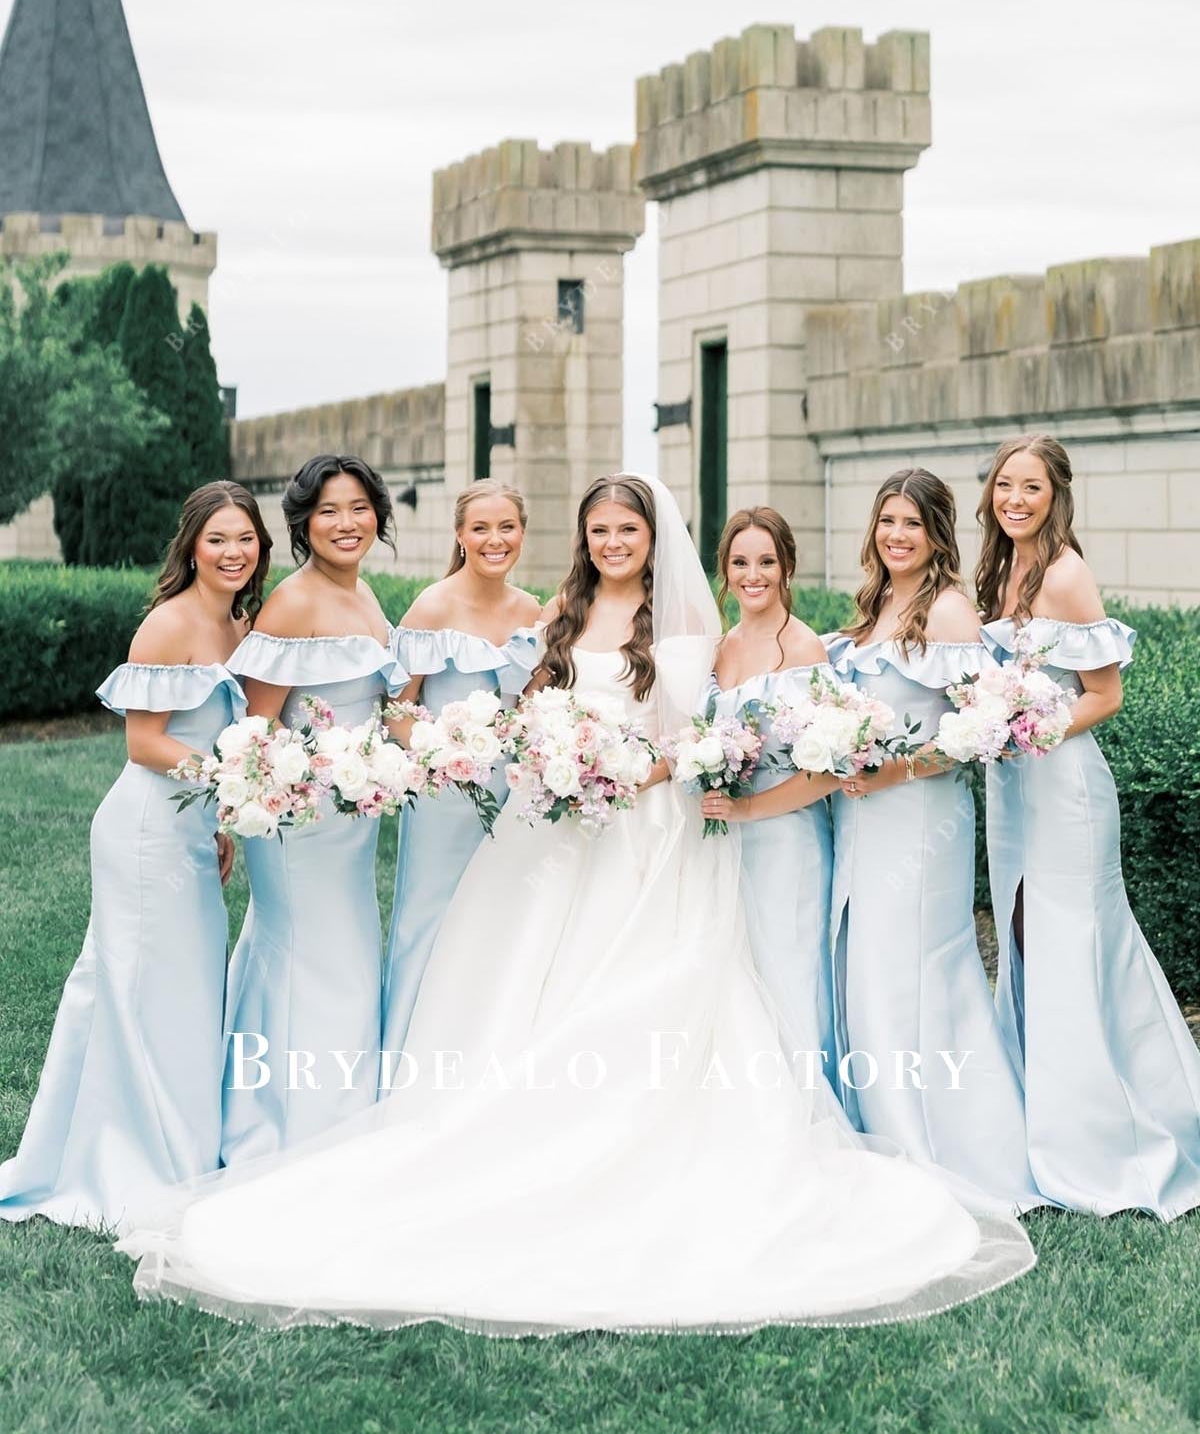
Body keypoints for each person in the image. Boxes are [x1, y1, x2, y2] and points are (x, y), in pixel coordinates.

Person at [117, 476, 1033, 1335]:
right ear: (584, 541)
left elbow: (698, 734)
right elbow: (518, 713)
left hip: (648, 830)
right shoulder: (559, 613)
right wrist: (550, 753)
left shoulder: (682, 618)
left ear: (651, 539)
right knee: (515, 974)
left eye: (627, 529)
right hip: (558, 823)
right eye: (599, 531)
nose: (613, 543)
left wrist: (634, 769)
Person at [0, 482, 269, 1231]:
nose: (232, 552)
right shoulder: (169, 623)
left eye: (245, 539)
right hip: (146, 830)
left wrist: (220, 819)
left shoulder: (237, 624)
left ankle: (176, 1143)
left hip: (191, 824)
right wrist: (233, 781)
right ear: (191, 546)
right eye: (217, 539)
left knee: (182, 986)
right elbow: (145, 742)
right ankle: (129, 1158)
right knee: (137, 984)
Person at [978, 434, 1200, 1218]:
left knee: (1077, 943)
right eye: (1005, 485)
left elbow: (1104, 696)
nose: (1015, 500)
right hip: (1009, 790)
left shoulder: (1067, 573)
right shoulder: (997, 567)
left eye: (1030, 488)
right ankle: (1044, 1110)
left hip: (1063, 786)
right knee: (1025, 938)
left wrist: (1027, 728)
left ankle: (1109, 1133)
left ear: (1056, 495)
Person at [821, 469, 1039, 1212]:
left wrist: (898, 772)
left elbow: (982, 733)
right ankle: (876, 1123)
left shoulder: (949, 613)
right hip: (858, 819)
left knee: (912, 967)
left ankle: (945, 1139)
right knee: (865, 964)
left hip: (919, 819)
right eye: (887, 521)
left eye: (912, 523)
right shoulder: (876, 603)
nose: (896, 536)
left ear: (937, 532)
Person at [219, 453, 405, 1163]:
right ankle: (287, 1132)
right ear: (303, 523)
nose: (346, 523)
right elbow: (254, 731)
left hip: (350, 828)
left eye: (359, 508)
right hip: (298, 827)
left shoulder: (365, 598)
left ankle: (337, 1120)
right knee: (308, 962)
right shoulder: (293, 603)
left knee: (349, 964)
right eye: (328, 511)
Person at [380, 480, 539, 1069]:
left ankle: (484, 1057)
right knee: (434, 914)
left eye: (507, 528)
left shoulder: (532, 612)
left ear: (522, 533)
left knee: (501, 918)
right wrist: (437, 754)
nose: (495, 540)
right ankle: (410, 1059)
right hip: (445, 792)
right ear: (460, 535)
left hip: (513, 795)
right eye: (481, 528)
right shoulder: (433, 607)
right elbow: (396, 706)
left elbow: (534, 703)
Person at [698, 507, 839, 1091]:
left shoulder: (805, 652)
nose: (752, 575)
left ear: (786, 569)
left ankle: (805, 1106)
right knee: (738, 975)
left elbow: (830, 771)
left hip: (787, 842)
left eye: (766, 562)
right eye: (739, 563)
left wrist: (750, 808)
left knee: (787, 968)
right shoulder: (718, 647)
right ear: (724, 571)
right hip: (723, 845)